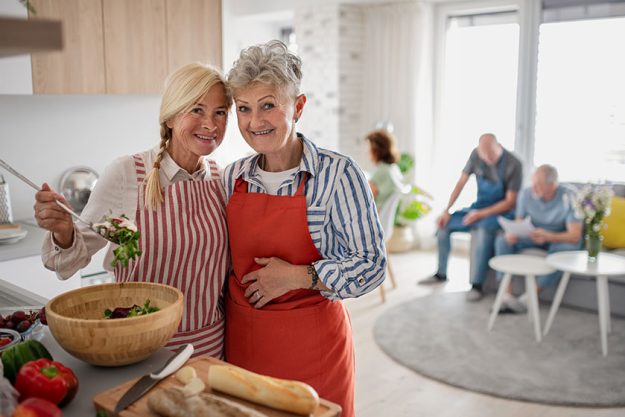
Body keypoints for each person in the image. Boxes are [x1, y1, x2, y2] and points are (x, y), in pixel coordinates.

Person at [223, 40, 386, 417]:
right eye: (244, 109)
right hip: (246, 344)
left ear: (297, 106)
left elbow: (372, 264)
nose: (255, 121)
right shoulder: (233, 177)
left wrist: (301, 275)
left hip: (315, 351)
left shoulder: (338, 174)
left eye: (268, 105)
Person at [34, 63, 232, 357]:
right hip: (140, 346)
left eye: (220, 112)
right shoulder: (128, 173)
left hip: (209, 346)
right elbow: (67, 264)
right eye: (197, 110)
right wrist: (63, 231)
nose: (210, 124)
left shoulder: (222, 179)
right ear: (170, 117)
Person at [422, 133, 523, 302]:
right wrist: (447, 210)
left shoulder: (514, 163)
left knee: (482, 230)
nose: (489, 159)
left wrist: (481, 214)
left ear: (499, 147)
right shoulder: (475, 155)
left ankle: (477, 285)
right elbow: (461, 183)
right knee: (444, 225)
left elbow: (510, 202)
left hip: (500, 213)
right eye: (485, 156)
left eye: (492, 155)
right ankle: (441, 273)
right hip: (478, 207)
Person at [494, 164, 582, 312]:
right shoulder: (526, 193)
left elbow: (574, 235)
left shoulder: (569, 196)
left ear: (553, 185)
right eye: (533, 184)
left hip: (558, 238)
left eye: (539, 185)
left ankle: (530, 297)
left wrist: (549, 236)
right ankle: (507, 295)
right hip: (531, 235)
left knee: (565, 253)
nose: (534, 189)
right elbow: (519, 222)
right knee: (503, 241)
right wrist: (514, 233)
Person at [366, 129, 404, 211]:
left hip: (375, 218)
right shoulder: (393, 169)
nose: (368, 152)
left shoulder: (382, 171)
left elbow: (365, 198)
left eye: (369, 148)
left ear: (376, 150)